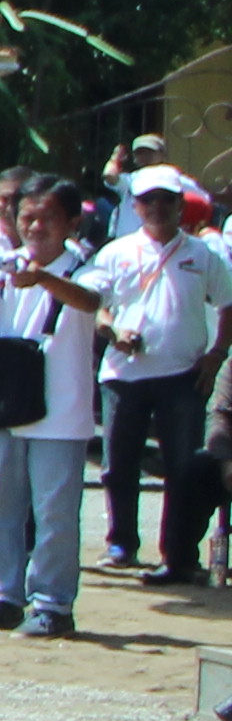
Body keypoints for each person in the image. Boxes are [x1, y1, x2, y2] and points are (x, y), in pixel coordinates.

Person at [0, 173, 103, 635]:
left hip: (60, 409)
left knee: (53, 510)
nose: (34, 228)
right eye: (27, 217)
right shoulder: (4, 264)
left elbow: (90, 301)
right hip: (4, 400)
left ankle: (52, 603)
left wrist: (43, 279)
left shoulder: (85, 265)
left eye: (47, 218)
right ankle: (3, 596)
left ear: (71, 222)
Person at [84, 170, 226, 585]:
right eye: (149, 201)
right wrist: (113, 331)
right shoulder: (116, 252)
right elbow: (97, 304)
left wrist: (216, 354)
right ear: (135, 207)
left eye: (166, 200)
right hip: (123, 374)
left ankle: (178, 554)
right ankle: (121, 543)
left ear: (181, 206)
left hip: (183, 374)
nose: (158, 208)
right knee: (118, 464)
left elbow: (228, 304)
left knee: (182, 467)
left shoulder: (202, 254)